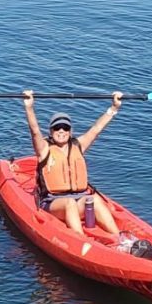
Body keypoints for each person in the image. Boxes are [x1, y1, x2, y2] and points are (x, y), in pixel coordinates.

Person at [22, 90, 122, 237]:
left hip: (79, 199)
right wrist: (29, 107)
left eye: (65, 128)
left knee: (94, 199)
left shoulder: (78, 145)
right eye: (57, 128)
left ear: (70, 131)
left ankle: (119, 238)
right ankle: (80, 239)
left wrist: (113, 108)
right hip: (53, 203)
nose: (61, 131)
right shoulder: (44, 148)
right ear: (51, 131)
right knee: (69, 203)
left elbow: (96, 129)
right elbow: (35, 131)